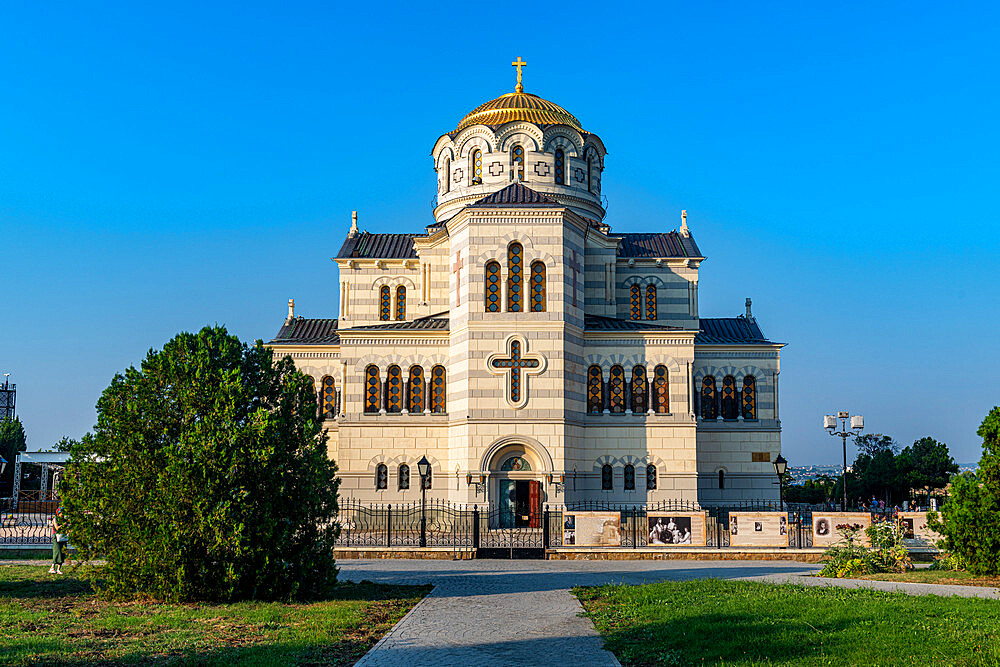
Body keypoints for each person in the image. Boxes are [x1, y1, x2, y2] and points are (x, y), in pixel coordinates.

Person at [49, 507, 68, 575]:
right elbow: (57, 527)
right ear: (58, 513)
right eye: (61, 513)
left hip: (63, 536)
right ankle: (52, 568)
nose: (62, 514)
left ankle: (59, 569)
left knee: (63, 552)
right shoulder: (55, 519)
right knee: (57, 552)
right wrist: (64, 524)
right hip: (56, 537)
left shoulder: (64, 520)